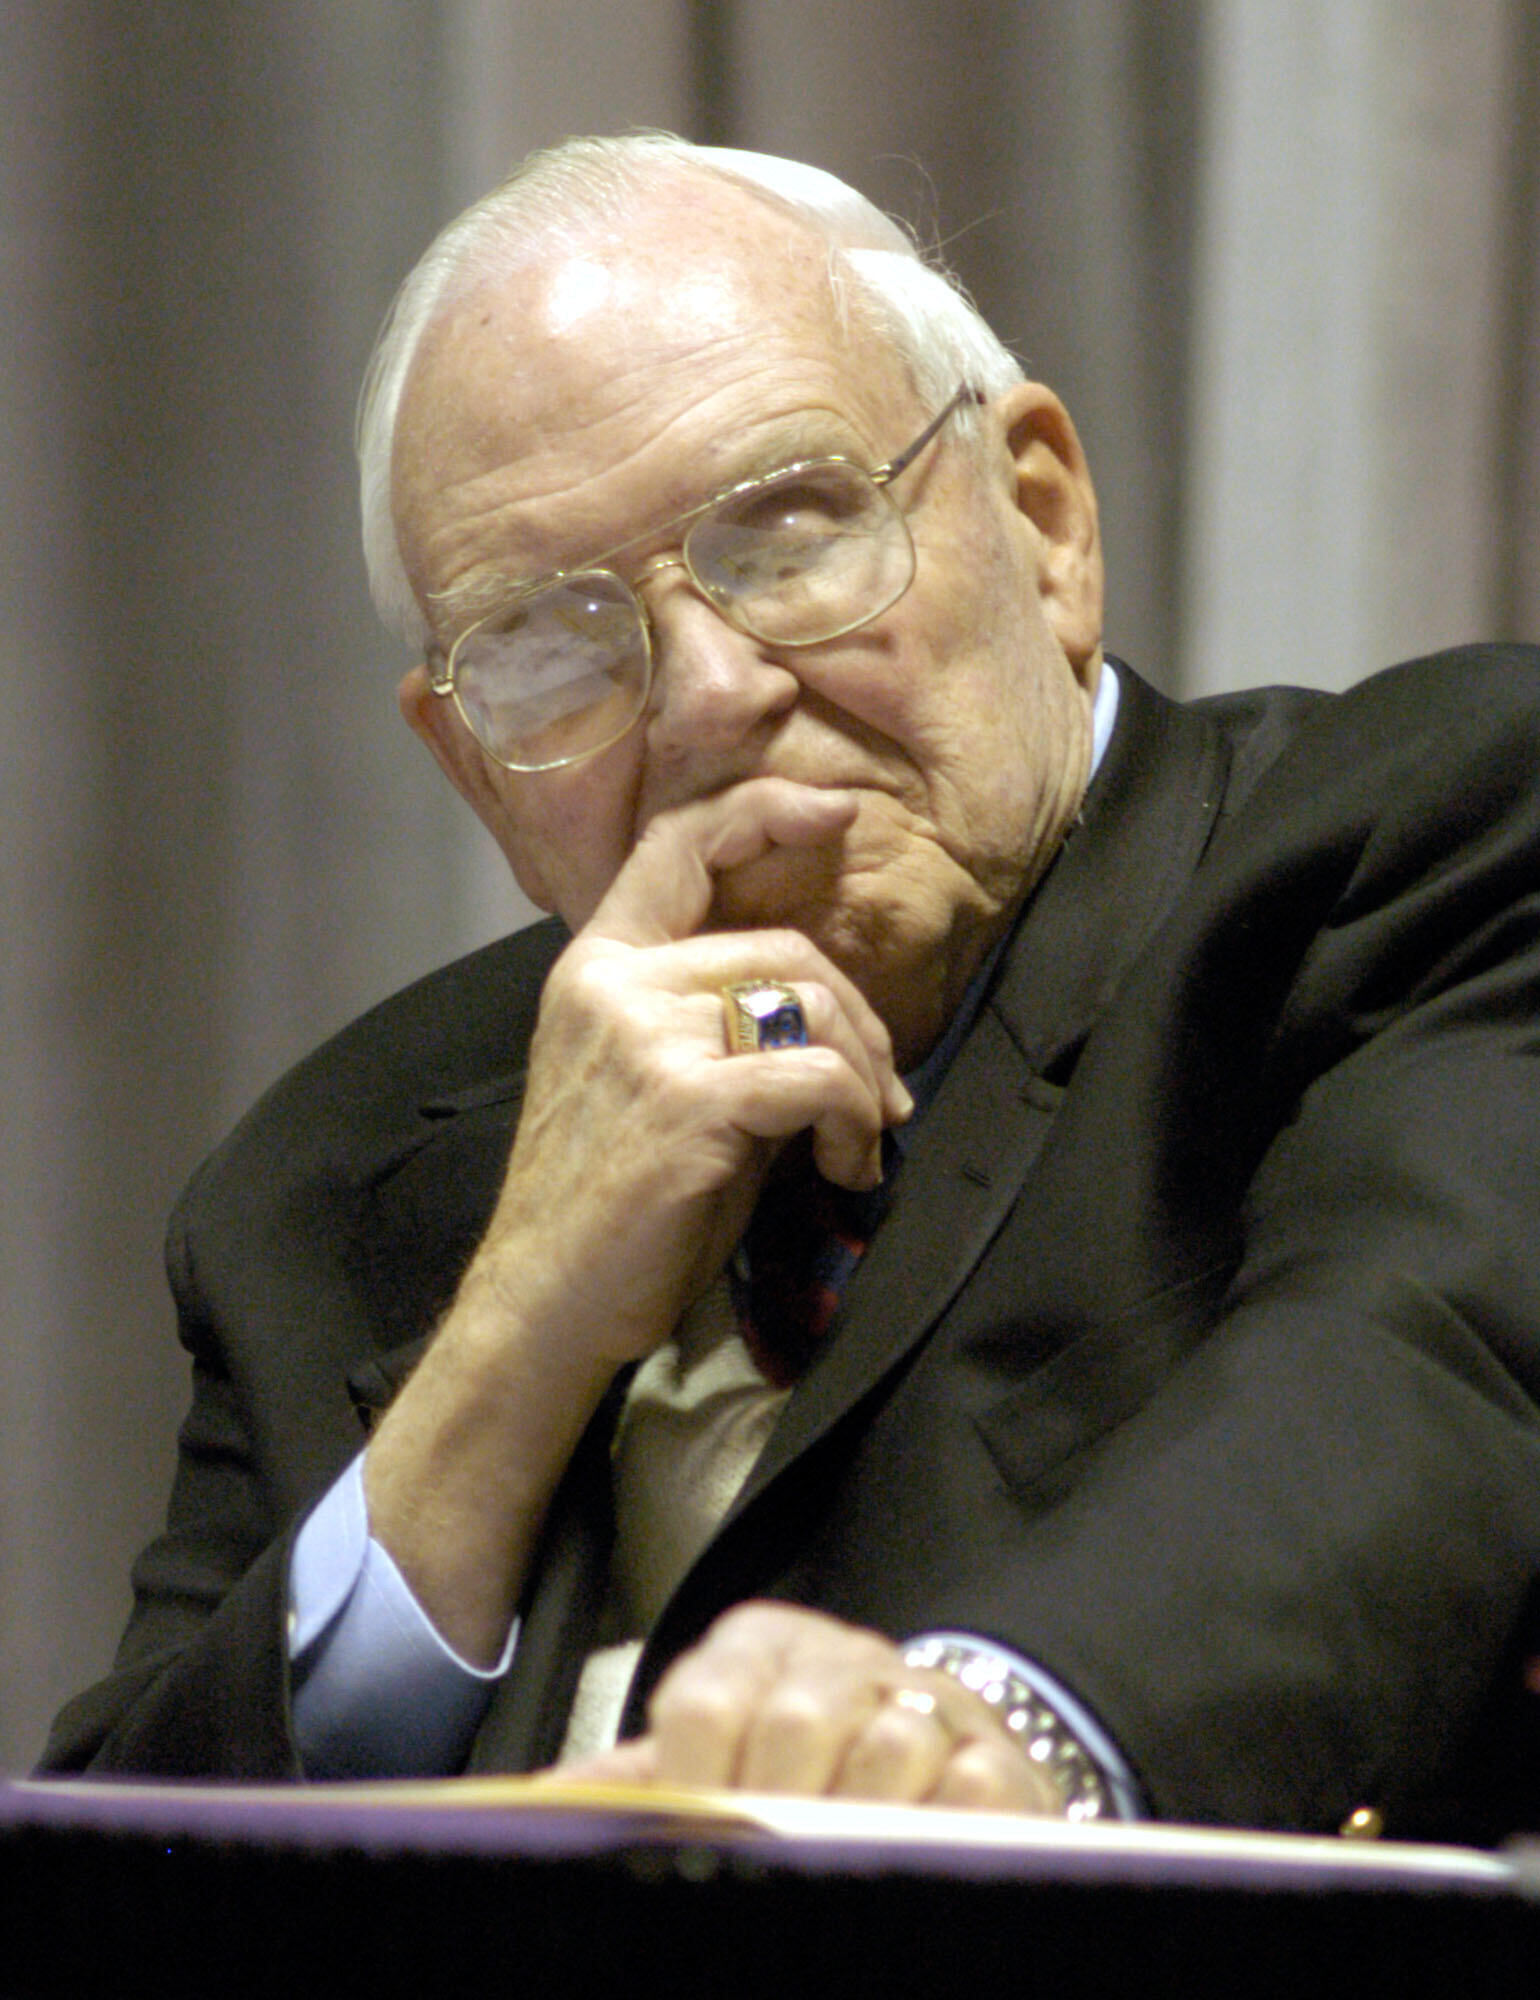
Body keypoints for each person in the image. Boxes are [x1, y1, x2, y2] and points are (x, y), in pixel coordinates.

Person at [42, 135, 1540, 1841]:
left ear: (1042, 525)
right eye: (552, 642)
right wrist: (514, 1341)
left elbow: (1423, 1377)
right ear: (472, 765)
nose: (705, 695)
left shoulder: (1434, 838)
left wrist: (984, 1747)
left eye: (788, 530)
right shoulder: (329, 1180)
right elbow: (113, 1873)